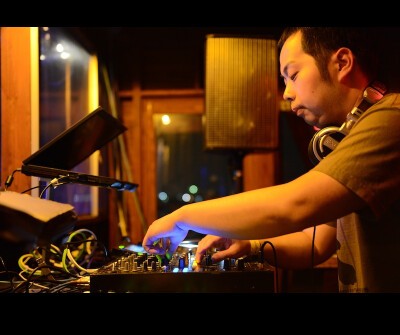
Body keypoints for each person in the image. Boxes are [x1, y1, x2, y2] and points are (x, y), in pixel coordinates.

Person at [142, 27, 400, 293]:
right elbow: (316, 243)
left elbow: (295, 205)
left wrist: (182, 217)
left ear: (342, 63)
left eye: (293, 75)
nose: (286, 93)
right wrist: (250, 245)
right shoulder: (350, 137)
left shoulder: (391, 120)